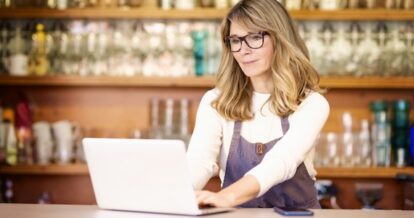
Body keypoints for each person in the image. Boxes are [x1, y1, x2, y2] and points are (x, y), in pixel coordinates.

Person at [186, 0, 330, 209]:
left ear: (280, 40)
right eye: (236, 40)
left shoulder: (312, 104)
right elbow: (198, 164)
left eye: (255, 37)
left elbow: (282, 162)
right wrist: (172, 199)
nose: (243, 50)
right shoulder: (215, 101)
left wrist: (227, 197)